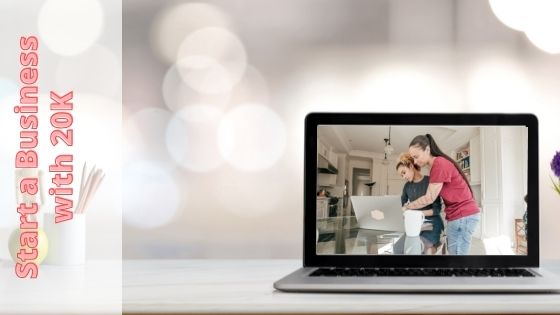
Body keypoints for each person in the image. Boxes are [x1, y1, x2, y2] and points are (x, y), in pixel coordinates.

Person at [405, 134, 480, 255]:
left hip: (463, 216)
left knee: (457, 256)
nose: (415, 161)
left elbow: (429, 198)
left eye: (416, 156)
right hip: (460, 216)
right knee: (454, 254)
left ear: (428, 149)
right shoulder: (438, 164)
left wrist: (408, 206)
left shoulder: (439, 164)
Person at [396, 153, 444, 255]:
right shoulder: (407, 186)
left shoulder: (430, 181)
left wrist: (417, 213)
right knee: (399, 248)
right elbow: (401, 205)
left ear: (411, 166)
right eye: (401, 175)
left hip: (432, 224)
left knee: (421, 247)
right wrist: (404, 210)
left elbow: (437, 210)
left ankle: (434, 246)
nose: (403, 177)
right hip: (415, 225)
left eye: (404, 172)